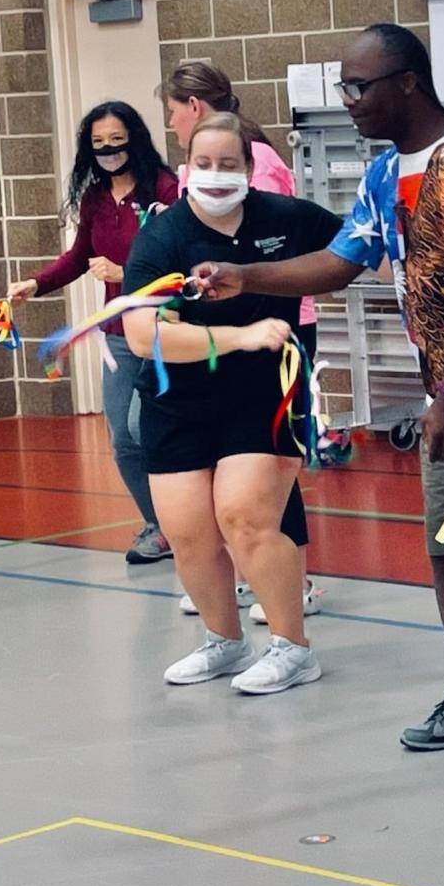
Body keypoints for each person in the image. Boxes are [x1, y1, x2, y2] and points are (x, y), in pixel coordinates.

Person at [194, 23, 444, 766]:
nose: (349, 102)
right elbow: (340, 263)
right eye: (345, 88)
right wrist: (248, 277)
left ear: (408, 82)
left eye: (360, 87)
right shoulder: (381, 175)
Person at [122, 113, 341, 694]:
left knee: (245, 515)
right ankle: (224, 640)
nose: (216, 176)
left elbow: (354, 248)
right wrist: (238, 337)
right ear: (185, 168)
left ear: (250, 168)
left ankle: (293, 648)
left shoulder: (286, 218)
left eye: (229, 164)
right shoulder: (162, 238)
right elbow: (145, 336)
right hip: (178, 398)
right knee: (189, 530)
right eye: (204, 164)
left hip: (266, 394)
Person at [160, 60, 322, 623]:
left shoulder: (264, 176)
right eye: (202, 163)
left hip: (283, 329)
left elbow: (288, 247)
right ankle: (244, 577)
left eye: (173, 112)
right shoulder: (187, 192)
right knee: (240, 481)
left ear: (195, 107)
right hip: (223, 339)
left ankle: (290, 582)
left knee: (271, 468)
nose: (173, 123)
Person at [9, 101, 178, 565]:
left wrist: (124, 272)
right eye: (98, 143)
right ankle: (159, 526)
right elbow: (79, 256)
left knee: (141, 427)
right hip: (118, 335)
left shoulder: (165, 191)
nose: (108, 150)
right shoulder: (96, 200)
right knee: (121, 438)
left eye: (116, 140)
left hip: (163, 331)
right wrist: (36, 283)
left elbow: (177, 267)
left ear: (135, 140)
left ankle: (188, 518)